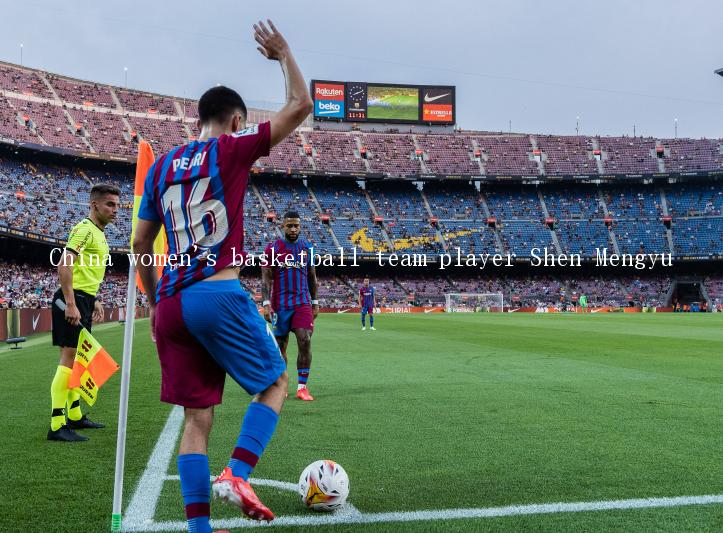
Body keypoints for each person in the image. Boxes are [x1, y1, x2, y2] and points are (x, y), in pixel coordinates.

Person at [133, 20, 312, 530]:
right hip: (216, 292)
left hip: (170, 303)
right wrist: (283, 54)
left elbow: (141, 243)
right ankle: (237, 472)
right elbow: (300, 105)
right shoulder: (230, 149)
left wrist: (151, 302)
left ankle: (199, 528)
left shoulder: (163, 165)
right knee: (276, 380)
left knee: (197, 417)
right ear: (235, 120)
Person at [48, 183, 119, 442]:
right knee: (68, 359)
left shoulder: (99, 233)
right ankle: (57, 424)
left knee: (80, 359)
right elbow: (65, 262)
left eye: (117, 206)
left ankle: (75, 415)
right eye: (110, 204)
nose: (115, 210)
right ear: (94, 204)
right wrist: (70, 302)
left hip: (84, 299)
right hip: (73, 300)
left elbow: (86, 271)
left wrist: (94, 299)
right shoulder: (84, 229)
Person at [262, 211, 319, 401]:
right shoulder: (272, 248)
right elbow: (266, 279)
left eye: (296, 225)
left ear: (300, 226)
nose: (293, 229)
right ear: (282, 226)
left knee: (305, 340)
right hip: (280, 304)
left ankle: (302, 387)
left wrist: (315, 302)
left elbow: (312, 276)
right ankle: (282, 384)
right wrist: (266, 303)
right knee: (280, 346)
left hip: (302, 302)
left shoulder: (307, 248)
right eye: (289, 225)